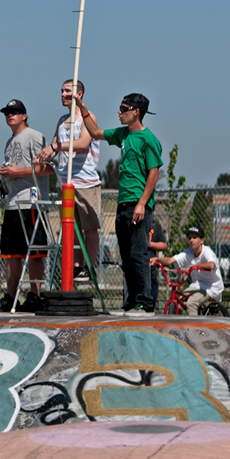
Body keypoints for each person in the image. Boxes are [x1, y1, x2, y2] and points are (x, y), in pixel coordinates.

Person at [77, 93, 162, 316]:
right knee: (126, 255)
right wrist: (82, 108)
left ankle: (145, 303)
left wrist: (142, 204)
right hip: (123, 204)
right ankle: (132, 301)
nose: (119, 112)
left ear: (136, 112)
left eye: (124, 108)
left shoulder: (148, 139)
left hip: (138, 203)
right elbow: (95, 132)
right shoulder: (123, 134)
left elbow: (153, 173)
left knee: (138, 254)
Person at [0, 99, 51, 313]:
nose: (10, 115)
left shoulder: (34, 136)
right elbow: (13, 169)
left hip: (31, 202)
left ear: (24, 115)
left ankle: (35, 296)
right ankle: (11, 298)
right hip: (13, 202)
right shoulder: (9, 142)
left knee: (34, 253)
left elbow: (47, 168)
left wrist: (18, 172)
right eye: (7, 112)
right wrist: (1, 170)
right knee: (11, 254)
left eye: (15, 112)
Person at [34, 80, 102, 281]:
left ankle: (88, 267)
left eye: (67, 91)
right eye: (61, 90)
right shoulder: (62, 120)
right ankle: (75, 265)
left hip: (86, 183)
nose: (63, 94)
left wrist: (55, 147)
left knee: (89, 227)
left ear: (79, 94)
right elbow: (55, 145)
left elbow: (82, 143)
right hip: (65, 183)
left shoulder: (88, 119)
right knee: (70, 228)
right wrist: (44, 155)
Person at [150, 226, 223, 315]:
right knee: (178, 302)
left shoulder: (207, 252)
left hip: (211, 287)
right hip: (197, 284)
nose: (191, 240)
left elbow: (211, 265)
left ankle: (195, 328)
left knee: (191, 303)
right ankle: (177, 327)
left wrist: (193, 266)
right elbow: (170, 260)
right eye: (189, 238)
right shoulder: (188, 253)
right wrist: (157, 259)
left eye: (194, 237)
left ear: (202, 240)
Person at [147, 219, 167, 309]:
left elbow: (163, 245)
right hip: (137, 263)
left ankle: (150, 308)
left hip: (150, 264)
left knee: (152, 291)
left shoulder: (155, 225)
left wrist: (148, 244)